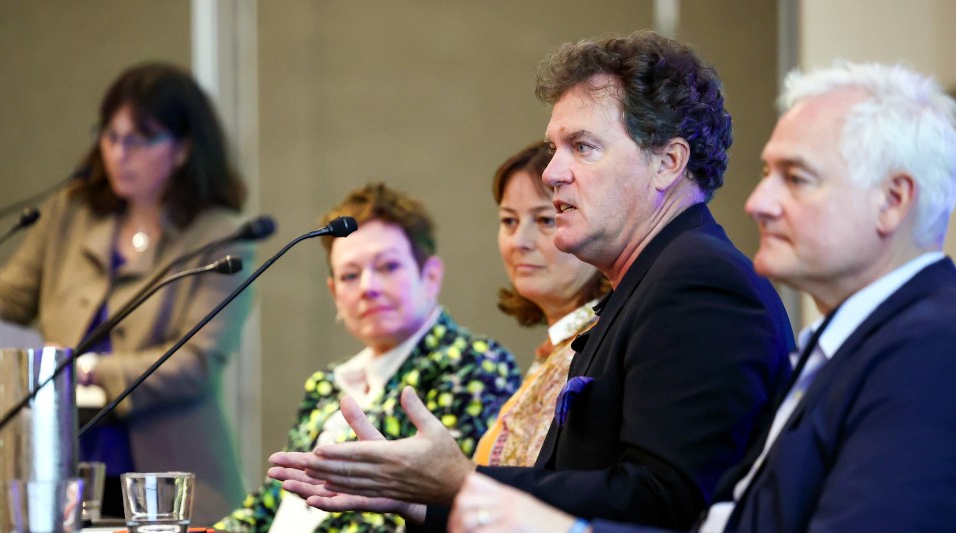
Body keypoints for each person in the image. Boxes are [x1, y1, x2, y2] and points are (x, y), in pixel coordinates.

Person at [268, 31, 794, 531]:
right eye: (555, 146)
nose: (552, 173)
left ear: (668, 163)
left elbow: (667, 503)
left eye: (582, 147)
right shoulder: (646, 283)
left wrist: (459, 482)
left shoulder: (699, 284)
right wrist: (418, 499)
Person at [449, 61, 956, 533]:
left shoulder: (931, 349)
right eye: (765, 175)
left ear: (893, 201)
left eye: (796, 178)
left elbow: (670, 498)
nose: (759, 204)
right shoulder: (855, 341)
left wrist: (555, 525)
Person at [0, 63, 251, 522]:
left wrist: (88, 369)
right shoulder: (70, 214)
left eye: (139, 139)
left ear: (182, 150)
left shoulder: (222, 236)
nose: (118, 153)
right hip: (55, 452)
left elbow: (196, 361)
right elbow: (6, 297)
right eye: (110, 137)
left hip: (163, 470)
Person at [215, 183, 521, 533]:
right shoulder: (328, 382)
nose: (367, 287)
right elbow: (276, 498)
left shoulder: (472, 365)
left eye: (388, 266)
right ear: (334, 293)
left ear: (431, 275)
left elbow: (428, 512)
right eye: (349, 275)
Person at [475, 141, 609, 467]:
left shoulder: (602, 344)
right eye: (509, 221)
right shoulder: (555, 347)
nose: (519, 242)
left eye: (546, 220)